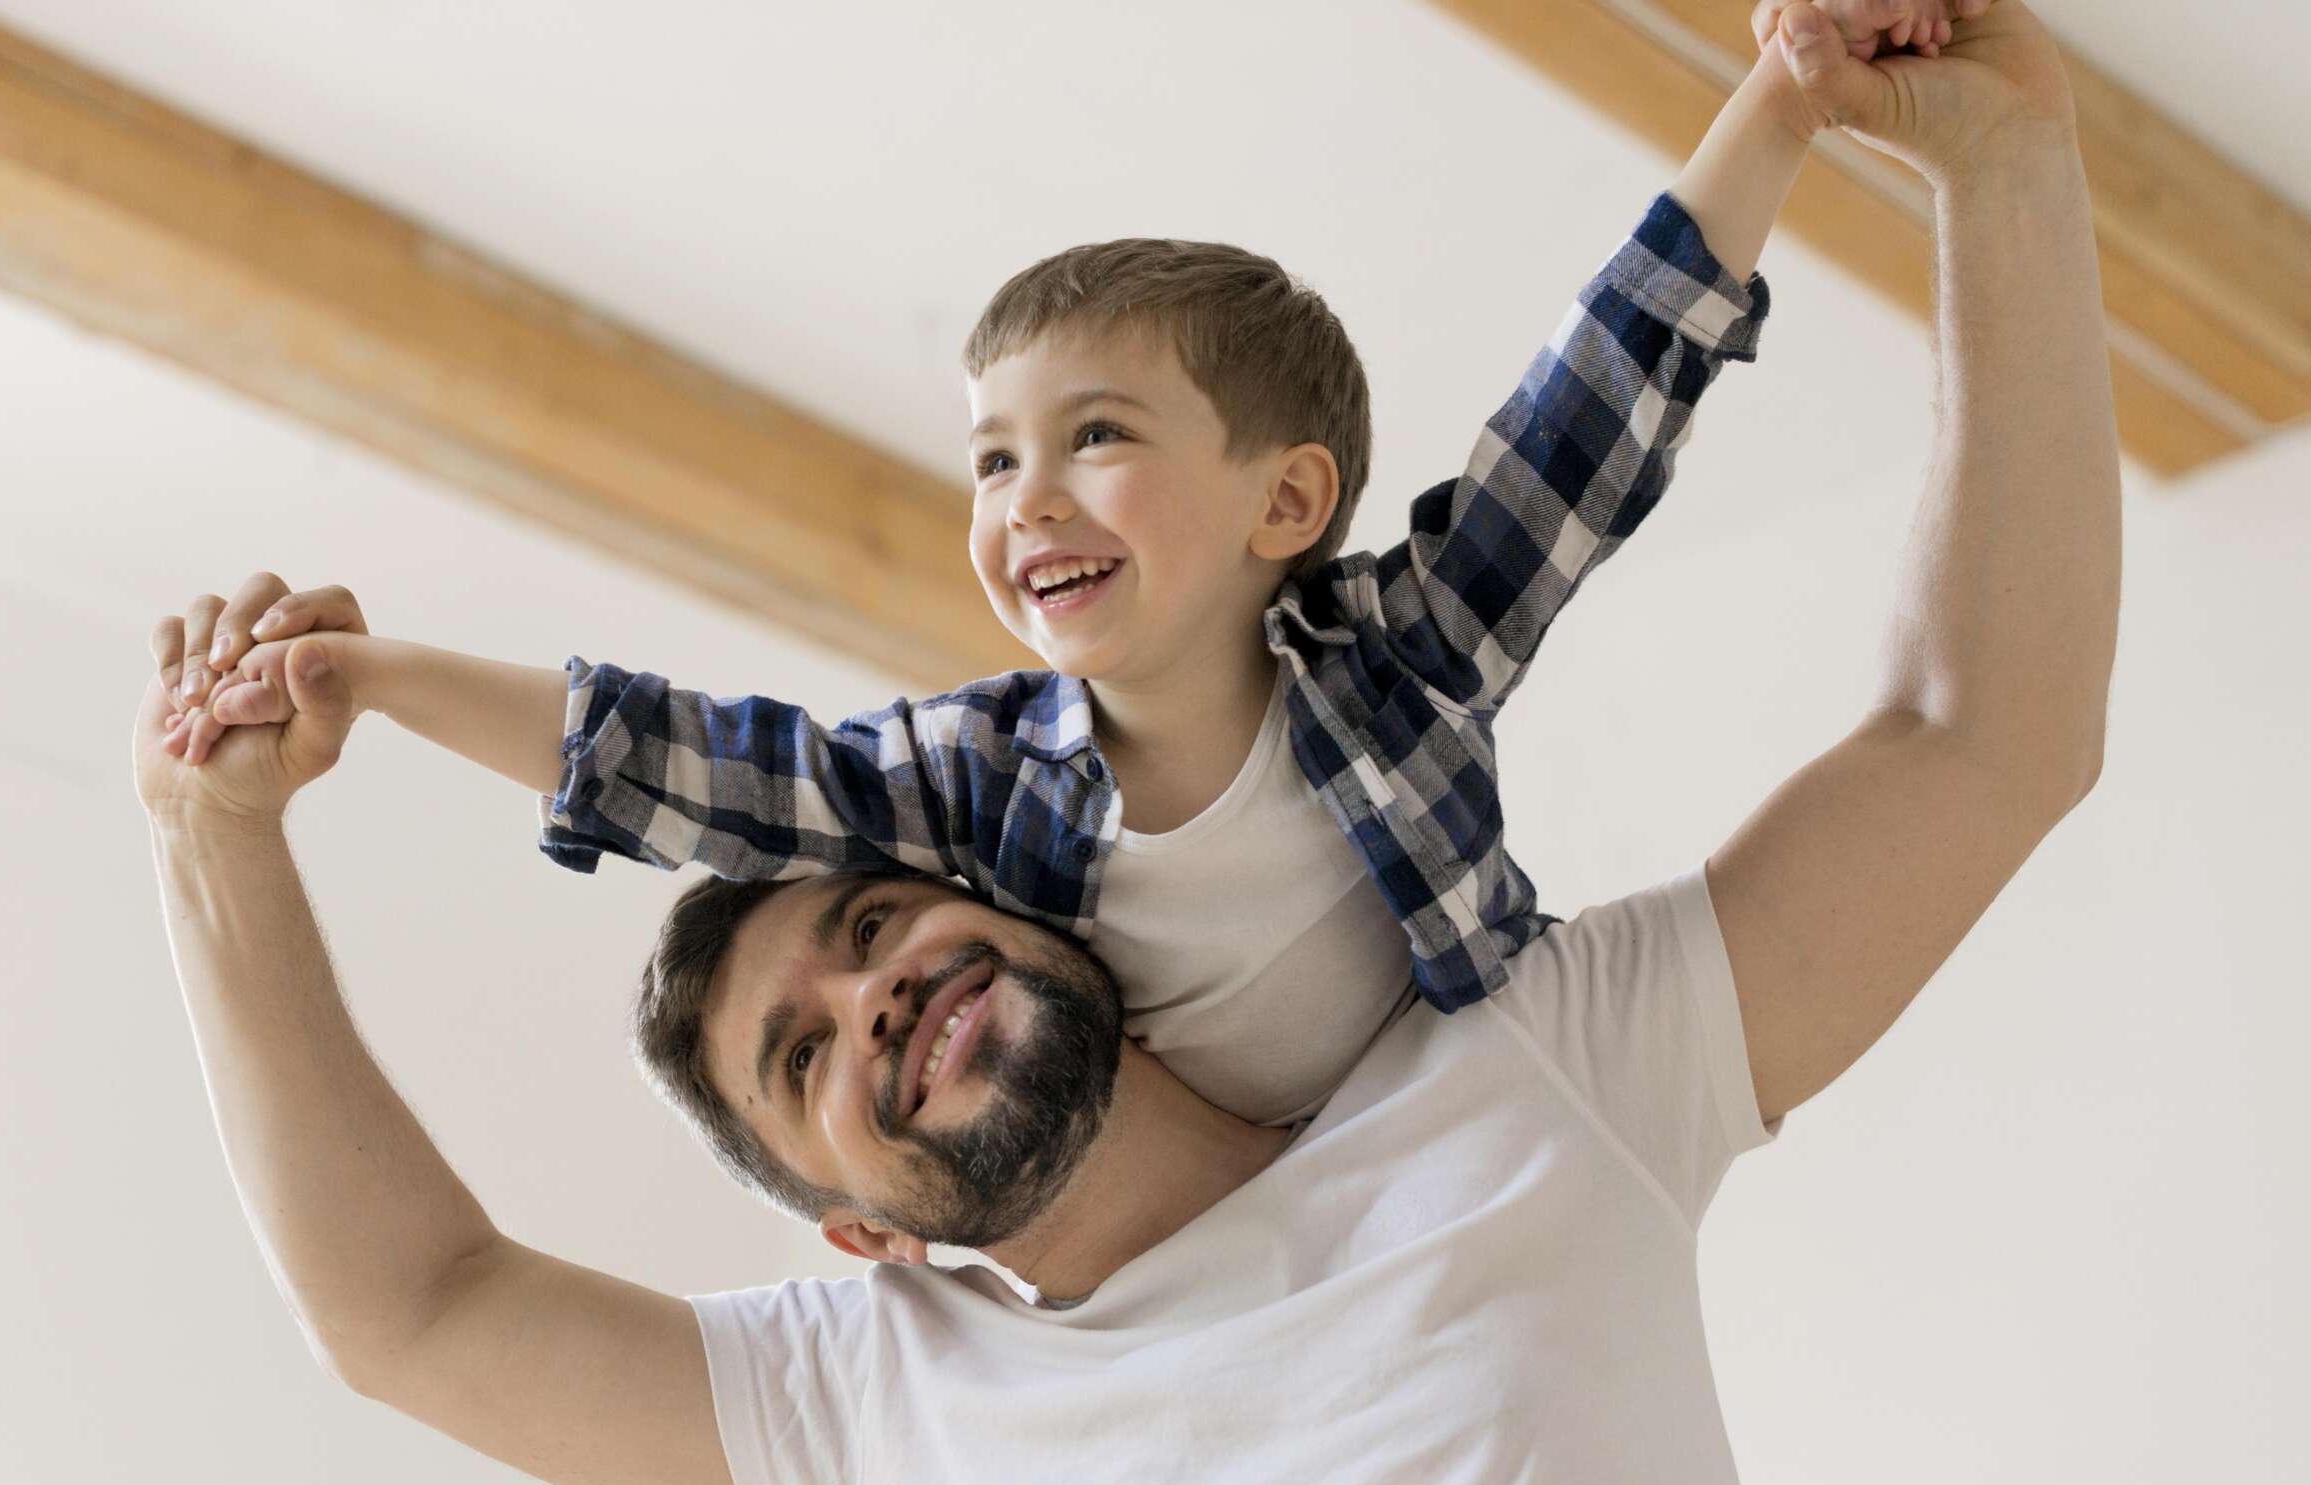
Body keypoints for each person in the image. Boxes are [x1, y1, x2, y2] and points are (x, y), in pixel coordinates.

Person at [136, 3, 2115, 1485]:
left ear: (1023, 891)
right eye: (799, 1062)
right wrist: (211, 841)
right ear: (858, 1237)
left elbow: (1979, 736)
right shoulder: (869, 1407)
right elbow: (406, 1312)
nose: (867, 1000)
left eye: (865, 924)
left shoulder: (1538, 1081)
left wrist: (2002, 176)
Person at [156, 0, 1998, 1146]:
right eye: (992, 458)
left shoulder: (1402, 653)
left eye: (1095, 435)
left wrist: (1788, 88)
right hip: (1247, 1228)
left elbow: (1601, 396)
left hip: (1481, 1125)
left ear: (1287, 502)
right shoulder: (979, 780)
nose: (1028, 496)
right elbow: (689, 763)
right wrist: (376, 681)